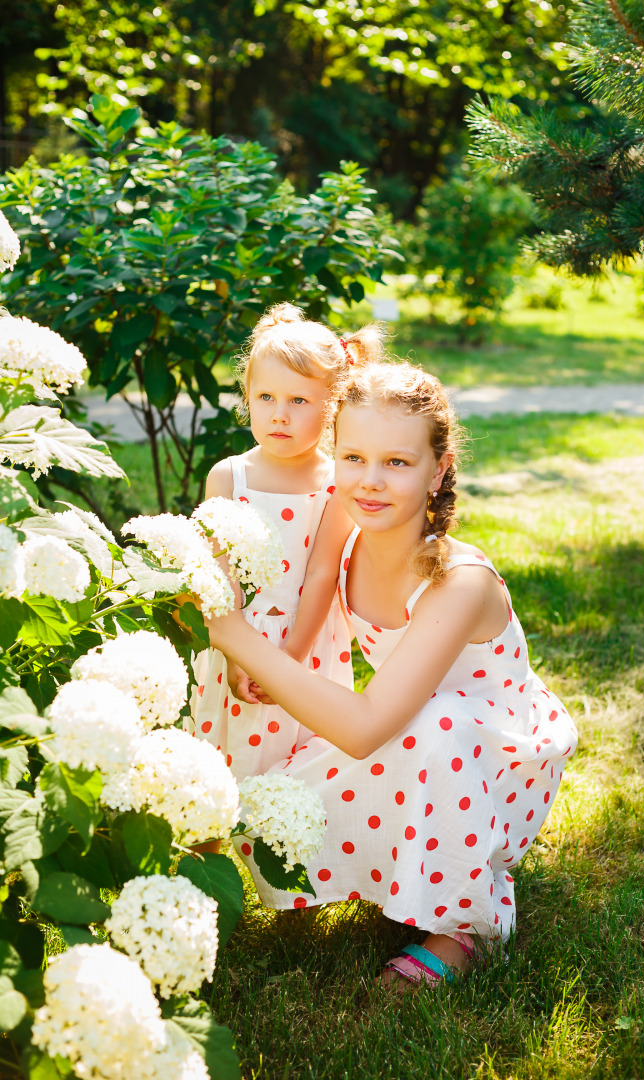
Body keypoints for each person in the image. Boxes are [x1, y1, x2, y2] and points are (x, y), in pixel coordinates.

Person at [206, 360, 578, 987]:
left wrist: (230, 633)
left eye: (397, 464)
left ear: (438, 471)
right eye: (352, 459)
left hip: (494, 756)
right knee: (268, 812)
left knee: (431, 721)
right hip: (406, 731)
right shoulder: (344, 548)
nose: (370, 482)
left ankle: (467, 928)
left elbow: (365, 726)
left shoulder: (458, 581)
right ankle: (397, 868)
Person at [187, 303, 385, 786]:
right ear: (247, 398)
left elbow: (321, 572)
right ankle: (206, 847)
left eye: (299, 401)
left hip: (306, 645)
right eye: (266, 397)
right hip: (233, 641)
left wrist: (288, 661)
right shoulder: (229, 477)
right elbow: (220, 575)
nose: (279, 414)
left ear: (333, 406)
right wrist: (240, 657)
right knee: (215, 766)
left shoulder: (336, 482)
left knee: (301, 772)